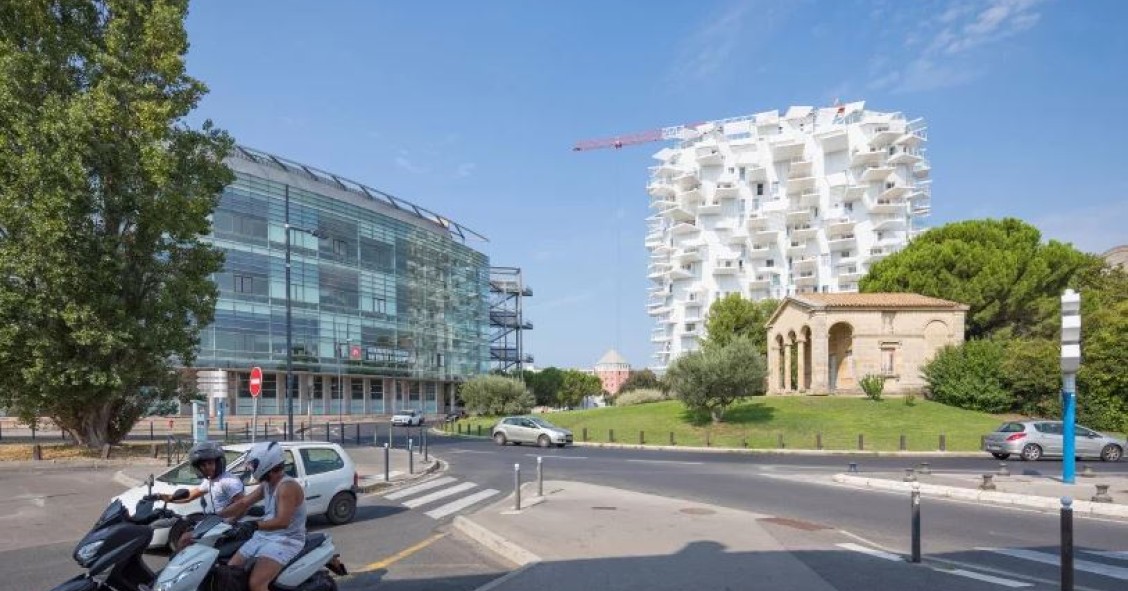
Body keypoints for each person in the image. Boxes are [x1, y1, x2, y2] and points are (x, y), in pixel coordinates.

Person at [225, 441, 306, 591]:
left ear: (267, 464)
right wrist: (218, 517)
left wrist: (254, 525)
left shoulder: (287, 487)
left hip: (286, 540)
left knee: (256, 584)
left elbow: (283, 522)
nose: (252, 468)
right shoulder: (267, 484)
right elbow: (243, 503)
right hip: (264, 536)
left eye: (254, 465)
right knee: (231, 571)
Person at [162, 441, 245, 551]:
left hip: (227, 525)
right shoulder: (210, 480)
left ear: (218, 463)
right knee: (187, 540)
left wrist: (229, 522)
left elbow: (243, 505)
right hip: (215, 521)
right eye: (203, 465)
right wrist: (165, 498)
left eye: (210, 464)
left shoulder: (229, 482)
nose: (207, 468)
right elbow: (190, 496)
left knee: (185, 539)